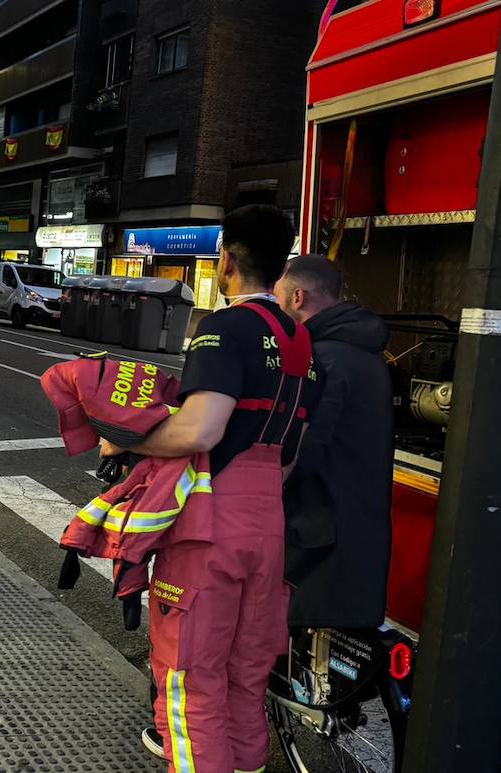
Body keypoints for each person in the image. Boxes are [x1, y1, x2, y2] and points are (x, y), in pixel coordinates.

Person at [101, 205, 316, 773]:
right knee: (246, 680)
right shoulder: (299, 341)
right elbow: (292, 448)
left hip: (211, 524)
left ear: (226, 260)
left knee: (190, 682)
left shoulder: (223, 329)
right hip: (267, 518)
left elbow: (200, 428)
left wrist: (124, 442)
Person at [275, 254, 393, 628]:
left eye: (278, 298)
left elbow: (303, 448)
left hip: (319, 533)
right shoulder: (361, 352)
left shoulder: (324, 358)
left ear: (297, 298)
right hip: (351, 525)